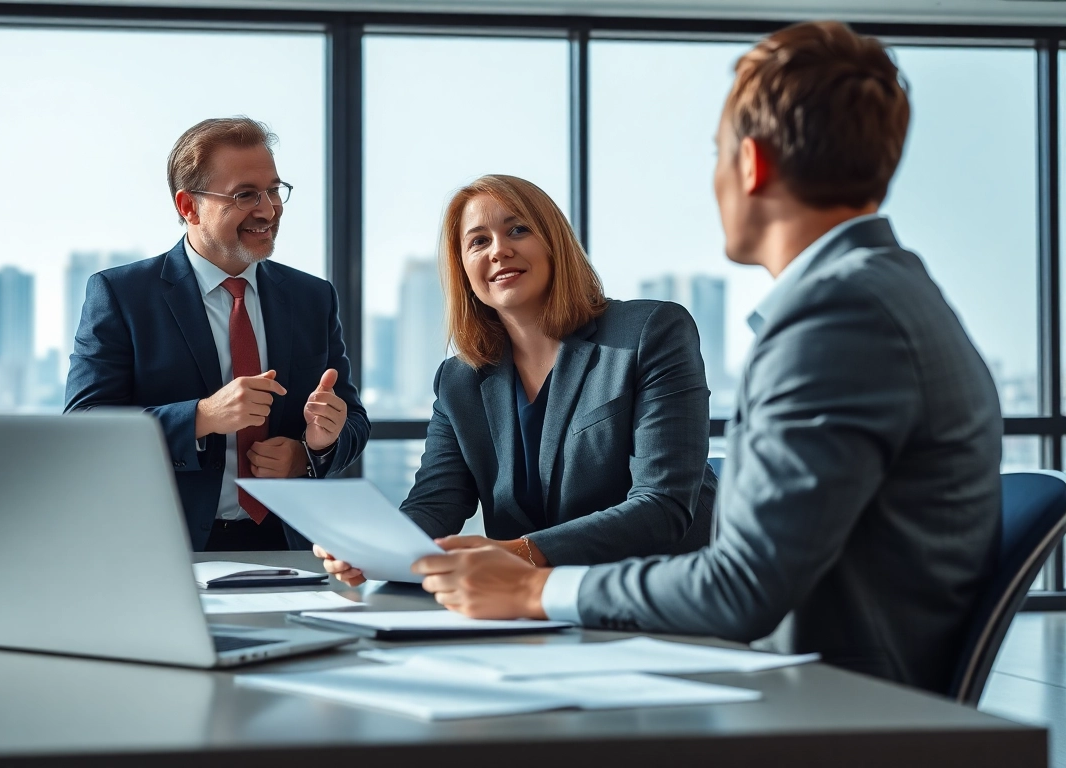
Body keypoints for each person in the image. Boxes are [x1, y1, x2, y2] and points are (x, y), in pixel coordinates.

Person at [413, 21, 1002, 696]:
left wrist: (533, 589)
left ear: (750, 164)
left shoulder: (837, 316)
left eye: (715, 153)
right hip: (807, 680)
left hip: (835, 704)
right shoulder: (879, 288)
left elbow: (738, 584)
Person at [319, 174, 716, 587]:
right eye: (478, 241)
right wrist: (374, 548)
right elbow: (436, 503)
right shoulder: (459, 381)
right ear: (464, 271)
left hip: (659, 596)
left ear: (553, 242)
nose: (499, 251)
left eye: (518, 230)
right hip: (528, 609)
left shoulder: (649, 332)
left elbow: (662, 504)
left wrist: (519, 554)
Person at [66, 117, 369, 552]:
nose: (268, 210)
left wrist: (310, 453)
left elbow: (354, 421)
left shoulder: (312, 297)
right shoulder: (122, 295)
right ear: (189, 207)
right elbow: (84, 427)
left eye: (273, 190)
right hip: (164, 550)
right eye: (245, 195)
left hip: (290, 550)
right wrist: (203, 416)